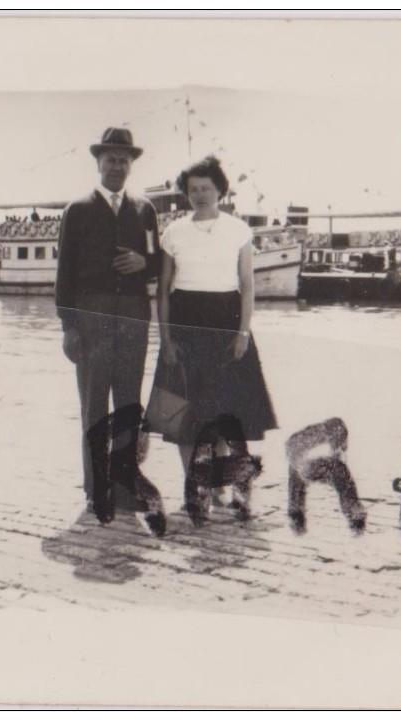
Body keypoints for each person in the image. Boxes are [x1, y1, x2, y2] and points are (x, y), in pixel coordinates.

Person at [145, 156, 277, 521]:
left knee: (224, 413)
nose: (200, 195)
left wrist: (243, 333)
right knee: (184, 414)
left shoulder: (238, 230)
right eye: (193, 190)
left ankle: (220, 487)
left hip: (226, 322)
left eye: (206, 188)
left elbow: (247, 285)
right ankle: (194, 486)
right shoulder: (173, 232)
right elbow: (164, 292)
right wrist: (166, 339)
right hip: (185, 325)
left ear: (220, 190)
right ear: (185, 194)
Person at [55, 127, 162, 527]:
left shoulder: (145, 209)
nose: (117, 166)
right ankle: (95, 488)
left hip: (134, 314)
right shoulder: (78, 210)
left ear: (132, 165)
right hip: (93, 317)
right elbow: (63, 273)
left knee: (129, 403)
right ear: (98, 163)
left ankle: (124, 484)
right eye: (110, 159)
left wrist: (144, 264)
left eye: (124, 160)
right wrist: (68, 325)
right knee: (94, 404)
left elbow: (159, 260)